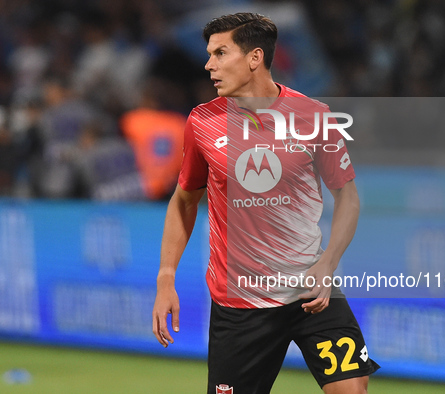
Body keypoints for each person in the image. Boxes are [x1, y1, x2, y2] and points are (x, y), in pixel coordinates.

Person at [152, 12, 379, 394]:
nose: (209, 64)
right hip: (240, 306)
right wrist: (165, 278)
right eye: (209, 54)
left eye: (221, 53)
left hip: (311, 291)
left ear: (255, 58)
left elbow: (349, 199)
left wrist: (327, 263)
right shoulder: (202, 122)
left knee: (351, 389)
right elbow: (184, 201)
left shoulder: (313, 117)